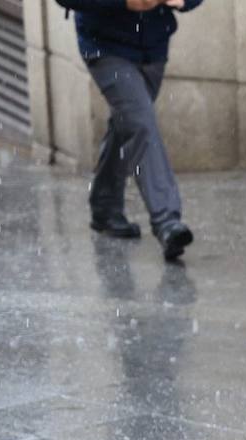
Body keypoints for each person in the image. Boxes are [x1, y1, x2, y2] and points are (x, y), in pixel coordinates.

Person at [54, 0, 201, 260]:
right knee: (141, 124)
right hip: (105, 46)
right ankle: (166, 219)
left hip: (154, 47)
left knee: (129, 123)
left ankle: (105, 205)